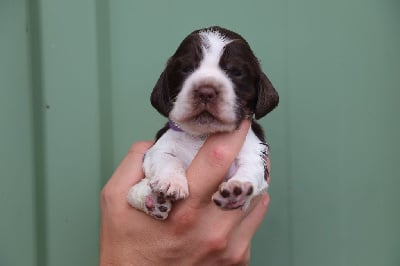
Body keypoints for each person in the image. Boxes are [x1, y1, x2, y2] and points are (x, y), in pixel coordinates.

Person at [99, 120, 270, 266]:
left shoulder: (251, 141)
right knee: (149, 182)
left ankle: (236, 189)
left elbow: (256, 170)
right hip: (158, 189)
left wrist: (243, 181)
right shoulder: (172, 135)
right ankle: (149, 199)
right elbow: (158, 158)